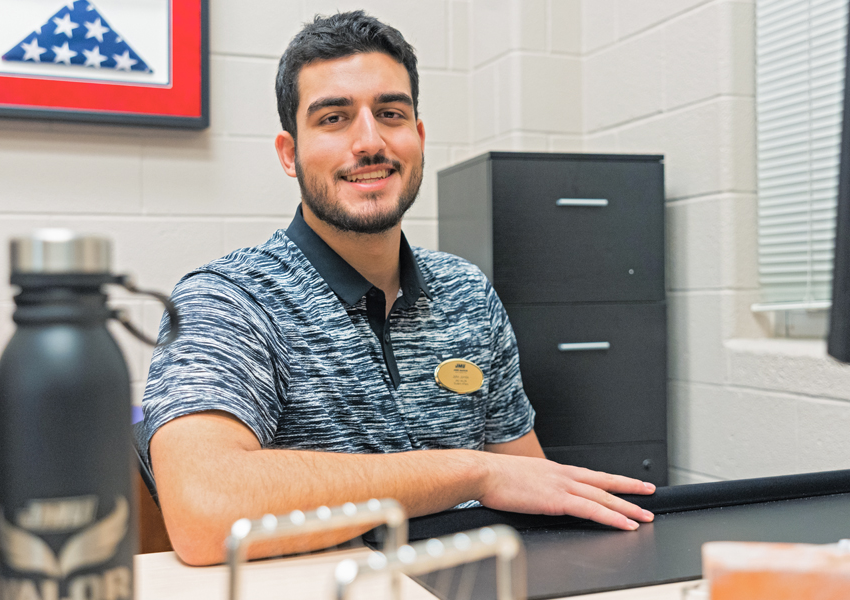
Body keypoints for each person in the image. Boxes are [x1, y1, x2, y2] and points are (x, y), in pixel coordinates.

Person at [141, 10, 655, 566]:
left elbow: (536, 491)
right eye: (334, 118)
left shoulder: (467, 294)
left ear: (418, 137)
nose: (369, 142)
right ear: (289, 154)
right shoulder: (226, 299)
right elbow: (204, 509)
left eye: (390, 113)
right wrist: (471, 470)